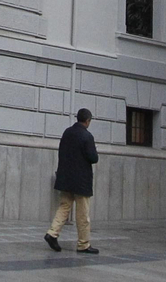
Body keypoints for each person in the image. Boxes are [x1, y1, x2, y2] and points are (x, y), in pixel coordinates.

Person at [44, 107, 98, 254]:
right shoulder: (87, 136)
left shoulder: (67, 133)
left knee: (64, 207)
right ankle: (83, 244)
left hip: (66, 178)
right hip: (81, 181)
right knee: (83, 214)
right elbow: (94, 158)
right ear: (87, 121)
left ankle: (52, 233)